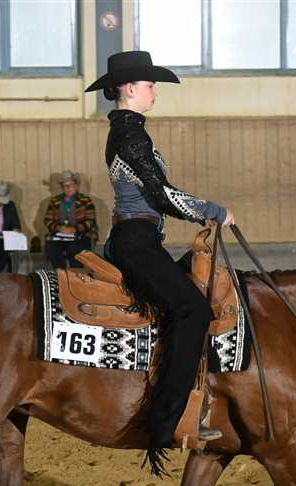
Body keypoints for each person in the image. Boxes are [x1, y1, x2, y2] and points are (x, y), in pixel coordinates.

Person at [85, 50, 235, 450]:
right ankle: (166, 421)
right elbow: (163, 195)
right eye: (150, 85)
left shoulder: (130, 132)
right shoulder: (130, 135)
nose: (155, 92)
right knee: (193, 310)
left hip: (142, 238)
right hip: (136, 240)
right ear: (130, 88)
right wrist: (212, 210)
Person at [43, 170, 98, 269]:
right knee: (52, 248)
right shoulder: (55, 201)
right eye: (65, 186)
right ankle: (61, 274)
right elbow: (47, 220)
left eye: (71, 185)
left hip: (80, 235)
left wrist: (75, 229)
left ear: (76, 186)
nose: (68, 188)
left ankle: (76, 274)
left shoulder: (85, 200)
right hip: (60, 235)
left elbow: (91, 221)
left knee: (74, 249)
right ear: (62, 187)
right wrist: (58, 228)